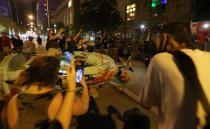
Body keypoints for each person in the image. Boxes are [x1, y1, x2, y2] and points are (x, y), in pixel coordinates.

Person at [139, 23, 210, 129]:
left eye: (158, 38)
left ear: (166, 37)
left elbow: (146, 103)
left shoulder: (160, 59)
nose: (156, 41)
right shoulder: (207, 57)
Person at [1, 56, 89, 129]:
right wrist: (84, 87)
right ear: (56, 76)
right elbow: (84, 107)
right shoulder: (63, 98)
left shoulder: (13, 101)